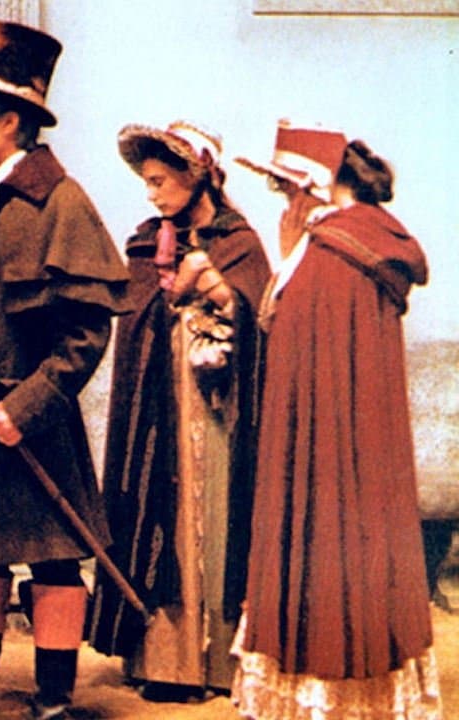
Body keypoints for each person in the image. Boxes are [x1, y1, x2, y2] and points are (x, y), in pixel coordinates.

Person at [0, 20, 129, 720]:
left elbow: (85, 334)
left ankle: (55, 700)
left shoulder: (59, 203)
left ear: (12, 122)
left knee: (53, 560)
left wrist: (26, 408)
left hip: (29, 423)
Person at [231, 121, 444, 719]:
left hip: (323, 443)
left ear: (314, 186)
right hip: (355, 440)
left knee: (327, 532)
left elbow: (293, 333)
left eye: (285, 187)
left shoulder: (332, 250)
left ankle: (330, 688)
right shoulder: (358, 239)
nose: (282, 201)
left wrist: (287, 261)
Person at [85, 121, 271, 699]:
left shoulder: (240, 243)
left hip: (217, 419)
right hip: (158, 417)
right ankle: (164, 662)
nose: (151, 194)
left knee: (215, 525)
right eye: (146, 182)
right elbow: (136, 317)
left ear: (198, 178)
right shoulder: (147, 244)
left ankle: (216, 665)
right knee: (159, 524)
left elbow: (260, 320)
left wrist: (218, 293)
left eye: (161, 181)